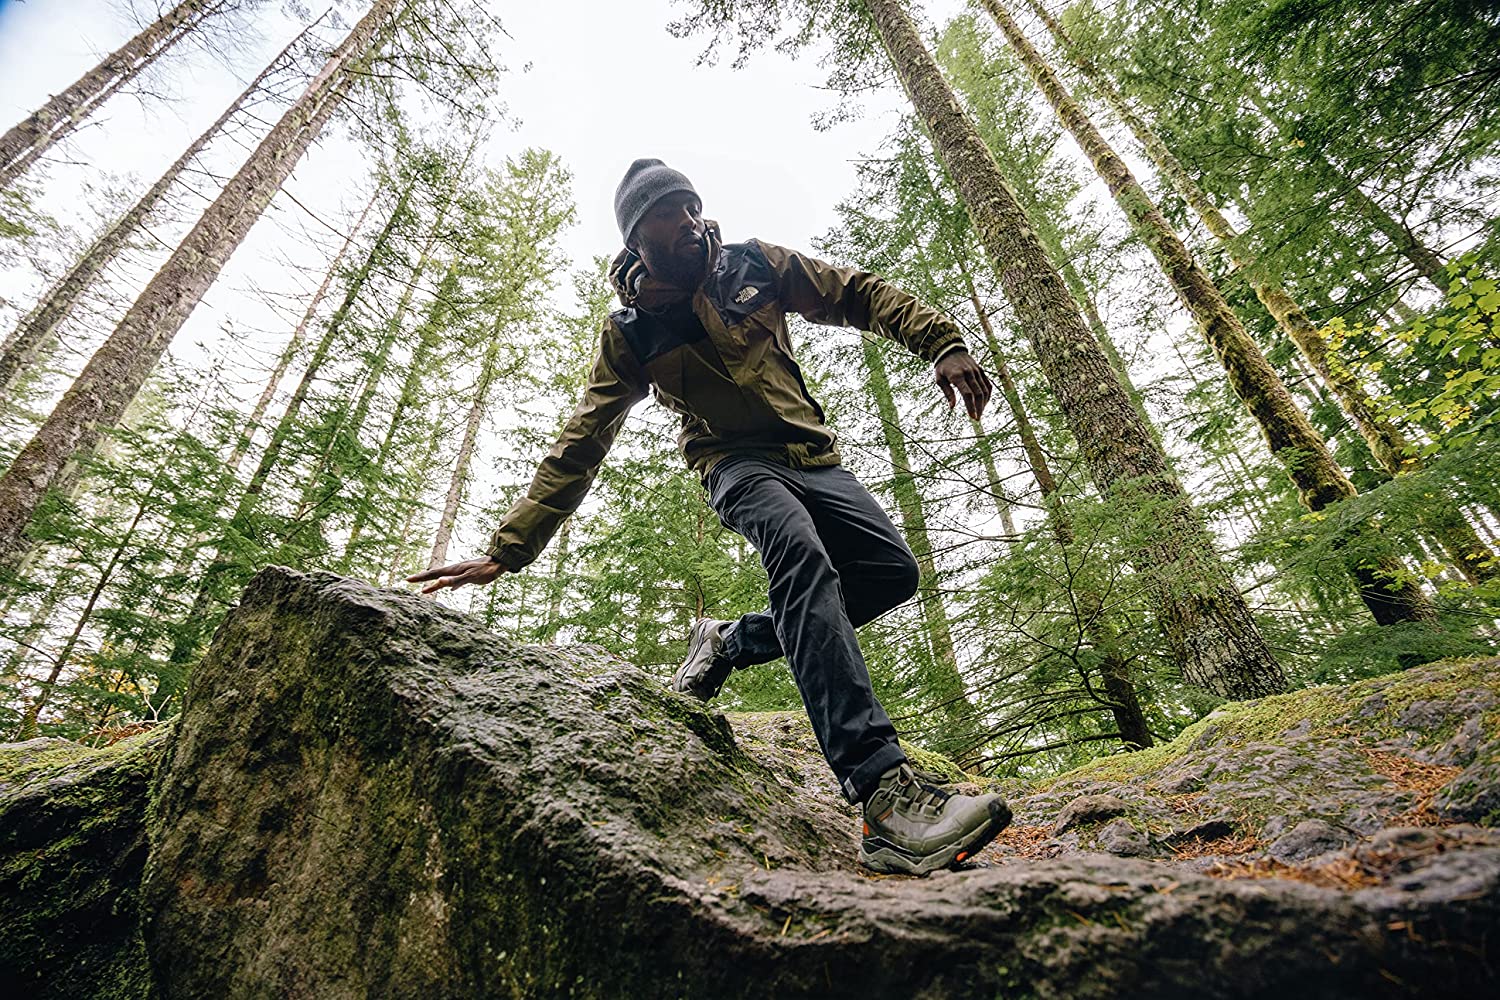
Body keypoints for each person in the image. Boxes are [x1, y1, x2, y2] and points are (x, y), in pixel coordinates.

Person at [411, 158, 1011, 875]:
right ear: (638, 239)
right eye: (671, 215)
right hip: (734, 465)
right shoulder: (633, 331)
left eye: (692, 206)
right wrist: (511, 547)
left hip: (813, 456)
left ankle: (729, 641)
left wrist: (942, 342)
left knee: (890, 573)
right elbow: (584, 438)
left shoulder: (754, 265)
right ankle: (883, 795)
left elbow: (856, 292)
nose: (692, 223)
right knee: (799, 553)